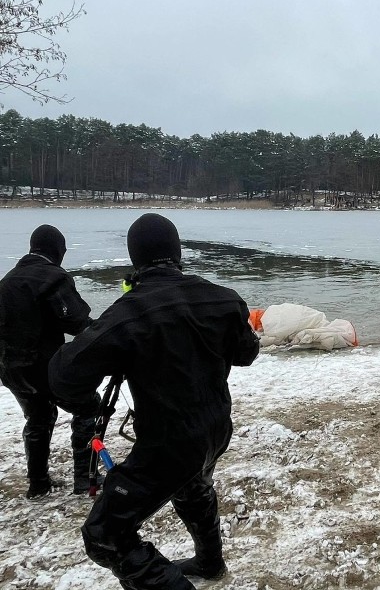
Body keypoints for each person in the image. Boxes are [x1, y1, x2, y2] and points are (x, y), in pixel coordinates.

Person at [48, 213, 260, 589]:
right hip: (215, 428)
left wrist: (89, 404)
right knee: (192, 485)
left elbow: (64, 374)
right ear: (178, 253)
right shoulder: (223, 299)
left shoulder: (128, 312)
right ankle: (210, 562)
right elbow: (246, 353)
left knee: (104, 535)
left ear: (135, 260)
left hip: (168, 444)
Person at [0, 224, 100, 499]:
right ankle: (84, 477)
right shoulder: (53, 277)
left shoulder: (7, 280)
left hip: (10, 370)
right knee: (88, 406)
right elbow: (77, 321)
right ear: (58, 250)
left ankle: (38, 483)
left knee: (39, 416)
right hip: (44, 368)